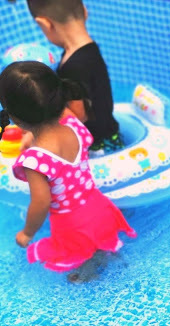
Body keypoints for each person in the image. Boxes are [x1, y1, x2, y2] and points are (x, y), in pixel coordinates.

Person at [0, 61, 136, 278]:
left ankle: (88, 272)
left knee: (82, 264)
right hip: (99, 207)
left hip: (72, 226)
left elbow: (41, 202)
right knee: (100, 248)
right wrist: (32, 133)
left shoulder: (34, 161)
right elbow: (59, 114)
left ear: (16, 119)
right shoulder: (75, 126)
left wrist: (27, 233)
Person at [26, 0, 123, 154]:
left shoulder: (73, 67)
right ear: (85, 11)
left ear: (45, 24)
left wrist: (40, 131)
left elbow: (78, 115)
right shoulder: (89, 50)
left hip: (97, 146)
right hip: (109, 135)